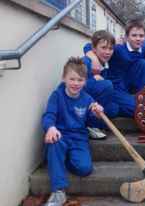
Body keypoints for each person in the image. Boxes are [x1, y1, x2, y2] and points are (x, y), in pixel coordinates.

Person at [42, 57, 104, 206]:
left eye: (80, 80)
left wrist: (97, 114)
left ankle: (57, 161)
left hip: (78, 138)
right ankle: (58, 191)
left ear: (85, 81)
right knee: (54, 144)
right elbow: (48, 115)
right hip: (60, 135)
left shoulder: (87, 99)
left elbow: (92, 121)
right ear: (63, 78)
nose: (76, 83)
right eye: (72, 79)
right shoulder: (56, 96)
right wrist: (51, 127)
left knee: (84, 169)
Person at [84, 19, 145, 117]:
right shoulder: (118, 49)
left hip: (123, 83)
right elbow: (89, 45)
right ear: (126, 37)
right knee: (135, 109)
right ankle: (123, 105)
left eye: (141, 36)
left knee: (143, 63)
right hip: (112, 86)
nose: (138, 38)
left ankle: (141, 98)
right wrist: (93, 57)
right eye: (134, 35)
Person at [83, 30, 119, 139]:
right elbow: (77, 91)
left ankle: (92, 123)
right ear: (93, 48)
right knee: (106, 85)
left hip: (93, 105)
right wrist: (94, 79)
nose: (107, 52)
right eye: (103, 48)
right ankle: (92, 126)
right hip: (81, 104)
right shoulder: (86, 63)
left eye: (110, 49)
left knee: (114, 108)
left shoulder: (105, 63)